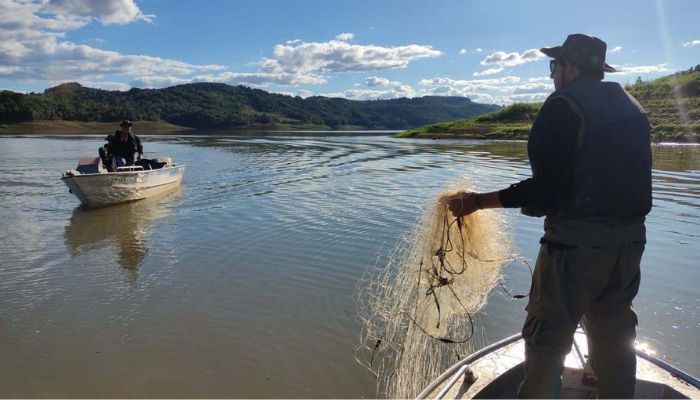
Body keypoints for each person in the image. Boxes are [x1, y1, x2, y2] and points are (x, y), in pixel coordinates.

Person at [447, 34, 652, 398]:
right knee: (615, 340)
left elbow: (547, 191)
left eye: (554, 65)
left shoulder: (563, 106)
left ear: (570, 67)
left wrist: (477, 202)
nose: (553, 72)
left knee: (546, 344)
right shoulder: (630, 106)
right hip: (630, 246)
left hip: (574, 250)